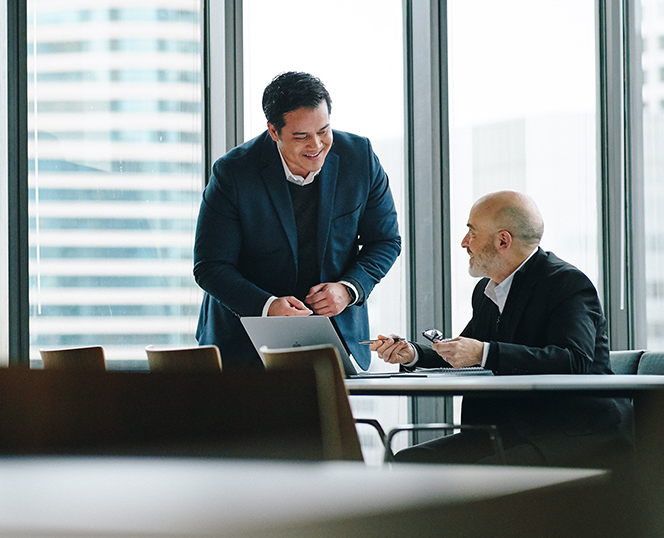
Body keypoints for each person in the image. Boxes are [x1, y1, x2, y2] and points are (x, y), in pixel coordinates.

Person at [371, 190, 633, 468]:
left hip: (571, 434)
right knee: (409, 462)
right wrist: (412, 355)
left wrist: (483, 352)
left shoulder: (566, 283)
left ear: (502, 240)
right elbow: (468, 355)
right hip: (506, 432)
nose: (463, 243)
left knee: (481, 477)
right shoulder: (486, 292)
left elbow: (573, 360)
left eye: (471, 233)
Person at [194, 71, 401, 368]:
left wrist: (349, 288)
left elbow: (385, 240)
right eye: (301, 136)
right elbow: (210, 266)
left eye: (323, 130)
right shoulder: (234, 173)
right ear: (274, 131)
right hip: (244, 344)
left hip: (334, 338)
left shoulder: (360, 158)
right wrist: (266, 307)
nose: (316, 145)